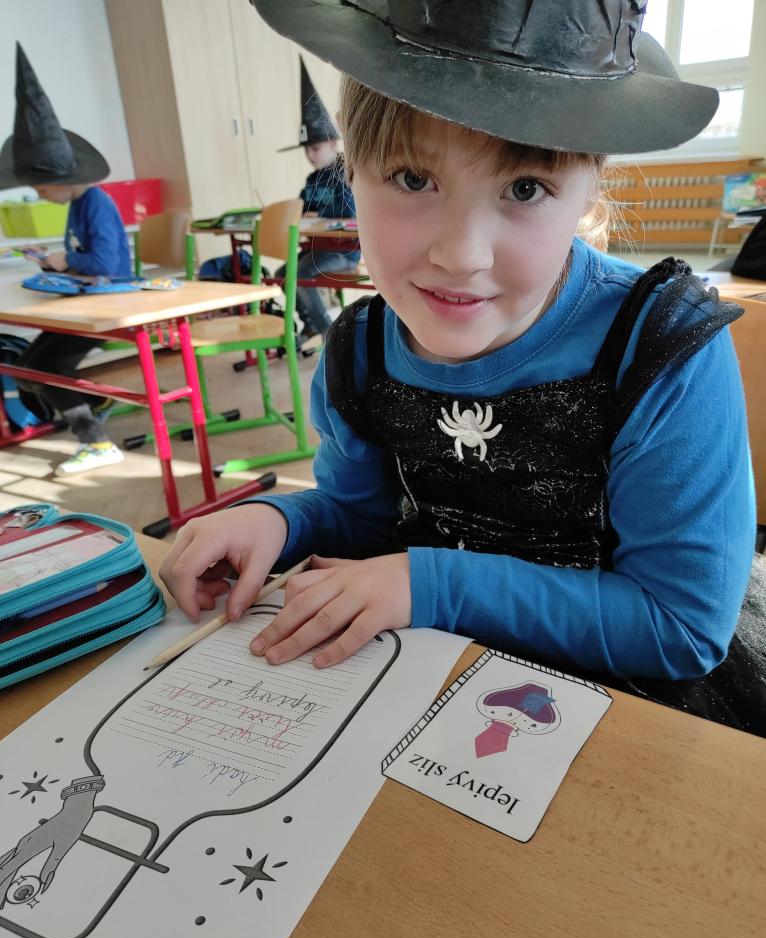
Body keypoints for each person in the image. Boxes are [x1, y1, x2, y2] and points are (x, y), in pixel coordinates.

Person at [161, 0, 763, 735]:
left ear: (589, 188)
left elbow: (680, 625)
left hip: (629, 708)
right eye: (413, 178)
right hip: (422, 681)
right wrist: (279, 521)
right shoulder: (360, 350)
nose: (461, 255)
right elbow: (360, 516)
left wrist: (430, 584)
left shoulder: (659, 348)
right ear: (352, 170)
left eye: (524, 188)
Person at [0, 45, 130, 474]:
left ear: (62, 178)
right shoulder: (76, 205)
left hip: (112, 304)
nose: (39, 195)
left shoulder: (96, 203)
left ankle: (96, 442)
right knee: (27, 367)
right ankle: (90, 403)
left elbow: (104, 264)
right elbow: (83, 258)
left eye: (41, 188)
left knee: (46, 365)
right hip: (86, 300)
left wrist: (64, 259)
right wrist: (54, 261)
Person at [276, 57, 362, 348]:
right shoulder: (312, 180)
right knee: (281, 274)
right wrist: (302, 215)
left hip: (343, 250)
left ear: (333, 143)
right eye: (306, 150)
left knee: (299, 273)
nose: (310, 155)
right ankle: (312, 323)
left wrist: (319, 218)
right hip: (316, 247)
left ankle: (328, 332)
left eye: (315, 148)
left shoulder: (344, 174)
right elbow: (301, 209)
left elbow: (350, 215)